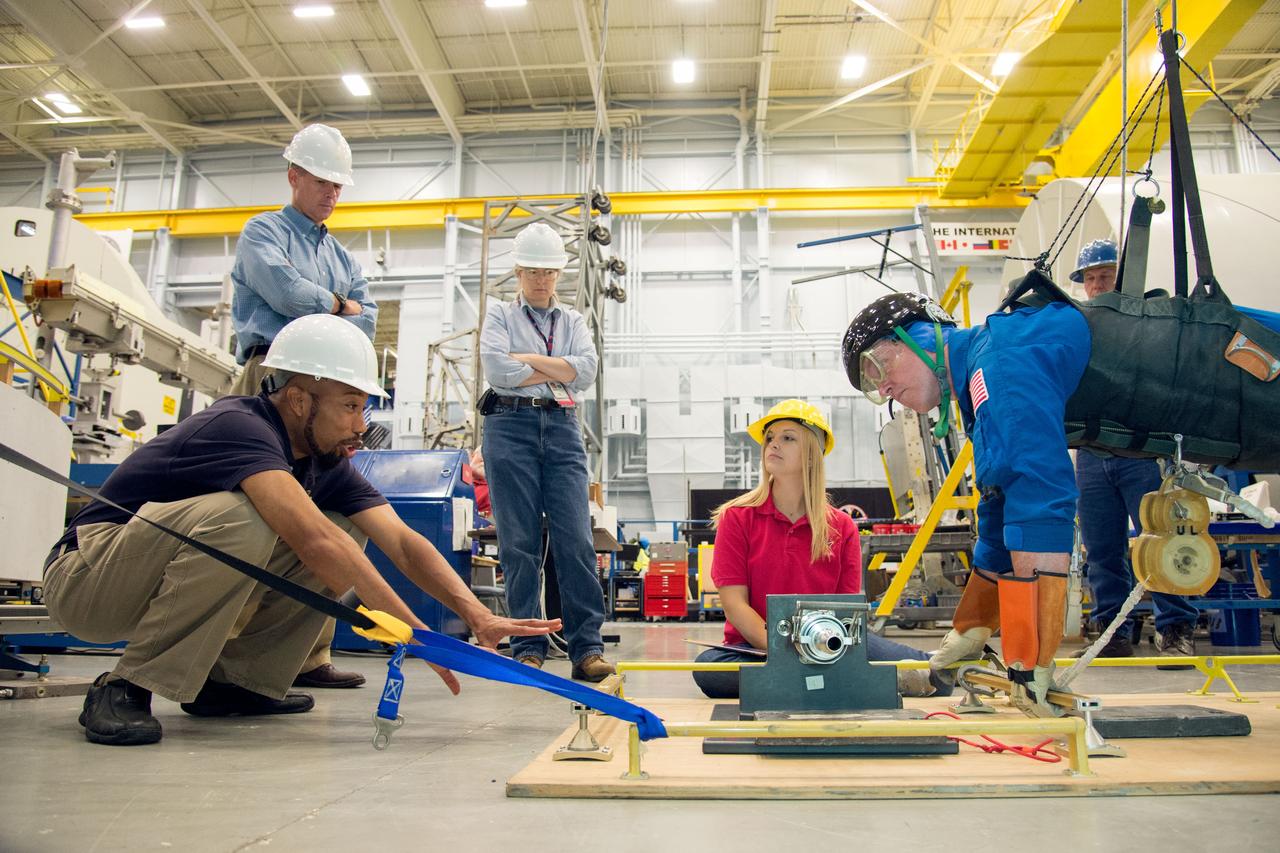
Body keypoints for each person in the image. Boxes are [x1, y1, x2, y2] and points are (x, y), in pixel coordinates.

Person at [43, 314, 559, 746]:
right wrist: (415, 636)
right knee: (252, 519)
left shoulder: (321, 459)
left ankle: (235, 683)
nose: (361, 425)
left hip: (138, 575)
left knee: (343, 528)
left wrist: (476, 616)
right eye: (350, 406)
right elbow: (314, 543)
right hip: (88, 580)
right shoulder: (240, 428)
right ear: (298, 400)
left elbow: (401, 541)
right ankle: (125, 686)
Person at [228, 123, 379, 688]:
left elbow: (371, 319)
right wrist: (340, 305)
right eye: (321, 181)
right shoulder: (263, 232)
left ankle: (306, 655)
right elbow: (286, 295)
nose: (331, 194)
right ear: (293, 174)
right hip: (272, 375)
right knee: (254, 513)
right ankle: (232, 657)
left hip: (331, 382)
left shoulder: (340, 254)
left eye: (338, 186)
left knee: (323, 511)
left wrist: (341, 309)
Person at [691, 399, 952, 701]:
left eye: (787, 438)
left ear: (812, 454)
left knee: (937, 679)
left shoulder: (842, 527)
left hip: (832, 642)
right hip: (758, 647)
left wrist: (820, 647)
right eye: (770, 438)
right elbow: (735, 605)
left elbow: (847, 612)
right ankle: (847, 682)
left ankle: (810, 682)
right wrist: (785, 652)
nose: (773, 444)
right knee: (709, 670)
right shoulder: (737, 518)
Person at [478, 221, 614, 683]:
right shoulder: (499, 314)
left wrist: (528, 361)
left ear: (559, 275)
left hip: (561, 427)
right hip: (507, 426)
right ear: (518, 272)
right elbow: (497, 371)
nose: (541, 279)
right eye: (532, 270)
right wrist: (559, 369)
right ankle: (527, 645)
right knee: (519, 544)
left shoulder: (573, 321)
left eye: (549, 271)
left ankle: (586, 649)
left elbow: (588, 372)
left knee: (575, 539)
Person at [1070, 240, 1197, 666]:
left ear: (1122, 279)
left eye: (1105, 275)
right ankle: (1112, 634)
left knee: (1161, 541)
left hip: (1141, 454)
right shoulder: (1076, 330)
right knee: (1102, 551)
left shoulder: (1149, 327)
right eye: (1090, 278)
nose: (1097, 284)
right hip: (1092, 457)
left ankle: (1175, 631)